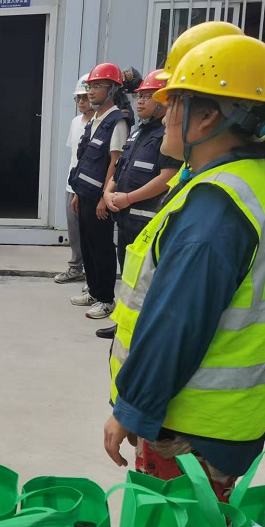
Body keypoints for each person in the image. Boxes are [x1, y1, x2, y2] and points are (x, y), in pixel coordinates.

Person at [104, 32, 265, 501]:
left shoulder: (215, 209)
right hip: (223, 425)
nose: (162, 111)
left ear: (207, 117)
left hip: (191, 433)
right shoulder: (252, 173)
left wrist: (131, 408)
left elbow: (176, 323)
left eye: (174, 101)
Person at [95, 69, 182, 339]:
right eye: (139, 96)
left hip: (146, 221)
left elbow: (167, 178)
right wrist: (108, 192)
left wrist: (128, 198)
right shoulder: (137, 132)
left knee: (145, 281)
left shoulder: (168, 136)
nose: (140, 101)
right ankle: (124, 324)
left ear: (165, 102)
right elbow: (120, 167)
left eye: (148, 96)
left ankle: (140, 331)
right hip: (126, 219)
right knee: (128, 275)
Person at [68, 63, 129, 319]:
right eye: (90, 86)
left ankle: (105, 298)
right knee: (88, 244)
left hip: (100, 198)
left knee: (101, 246)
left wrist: (105, 197)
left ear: (112, 89)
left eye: (97, 86)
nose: (91, 91)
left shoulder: (117, 122)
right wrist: (78, 193)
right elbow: (85, 160)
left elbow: (116, 163)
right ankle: (93, 291)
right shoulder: (94, 120)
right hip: (85, 194)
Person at [55, 73, 92, 284]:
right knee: (74, 229)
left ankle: (93, 275)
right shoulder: (76, 122)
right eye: (78, 98)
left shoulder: (101, 123)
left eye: (85, 97)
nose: (81, 102)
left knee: (90, 231)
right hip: (72, 184)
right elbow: (74, 156)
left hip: (90, 186)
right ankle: (76, 267)